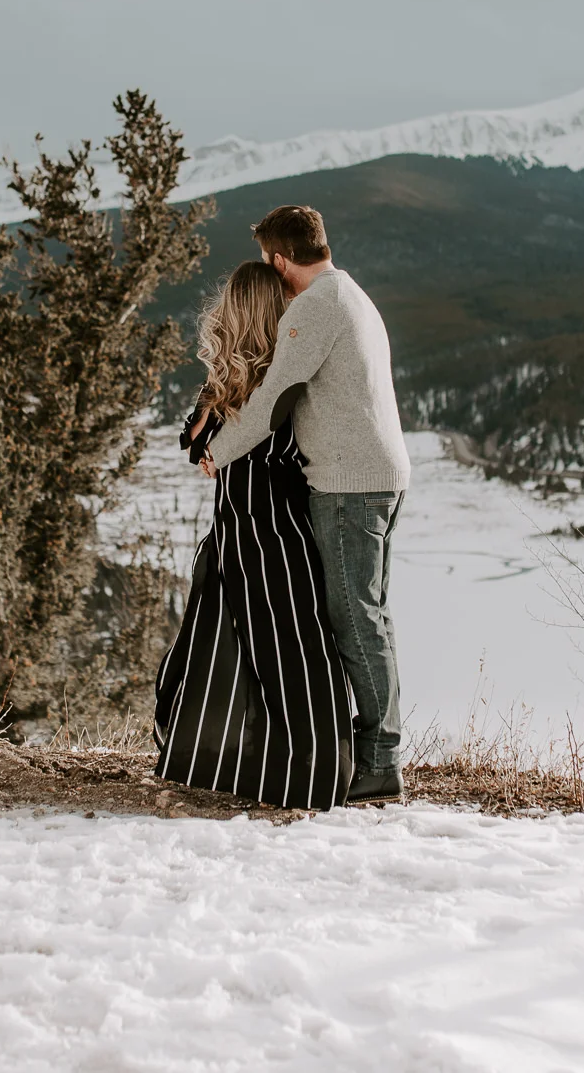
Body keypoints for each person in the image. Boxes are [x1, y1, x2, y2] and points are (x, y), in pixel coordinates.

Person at [199, 206, 412, 805]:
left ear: (278, 260)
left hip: (349, 484)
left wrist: (218, 451)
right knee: (369, 615)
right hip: (378, 475)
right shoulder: (351, 294)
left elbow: (276, 398)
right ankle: (377, 751)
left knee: (354, 619)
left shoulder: (316, 306)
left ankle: (380, 762)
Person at [153, 261, 354, 810]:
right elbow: (197, 445)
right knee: (287, 654)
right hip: (268, 531)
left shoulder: (256, 381)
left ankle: (272, 773)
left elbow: (196, 446)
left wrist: (218, 390)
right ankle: (302, 774)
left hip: (253, 530)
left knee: (247, 653)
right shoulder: (271, 377)